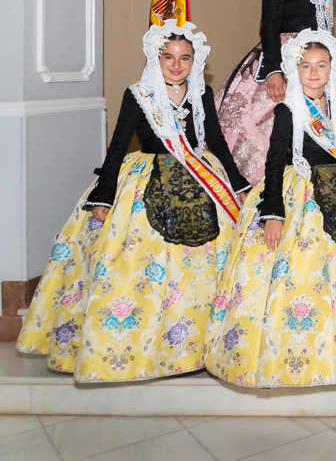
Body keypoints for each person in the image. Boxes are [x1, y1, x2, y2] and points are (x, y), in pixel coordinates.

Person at [19, 21, 248, 382]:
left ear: (195, 60)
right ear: (155, 59)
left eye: (184, 58)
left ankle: (197, 344)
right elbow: (118, 146)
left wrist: (236, 185)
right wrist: (105, 194)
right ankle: (139, 346)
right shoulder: (139, 94)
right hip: (147, 181)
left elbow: (216, 141)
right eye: (168, 57)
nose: (176, 65)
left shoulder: (201, 94)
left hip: (201, 179)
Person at [206, 31, 336, 388]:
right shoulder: (288, 110)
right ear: (295, 71)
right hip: (302, 195)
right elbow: (275, 161)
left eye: (321, 66)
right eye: (306, 67)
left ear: (332, 69)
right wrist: (273, 211)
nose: (314, 73)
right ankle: (298, 350)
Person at [218, 0, 336, 183]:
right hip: (284, 57)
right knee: (265, 126)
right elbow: (269, 24)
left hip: (315, 59)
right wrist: (274, 70)